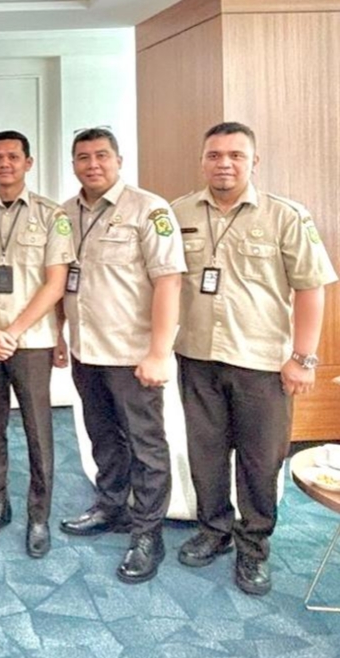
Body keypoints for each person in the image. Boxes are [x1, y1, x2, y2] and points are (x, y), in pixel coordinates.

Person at [172, 122, 337, 596]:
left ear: (254, 162)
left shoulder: (286, 216)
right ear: (202, 160)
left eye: (236, 155)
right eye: (214, 155)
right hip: (197, 356)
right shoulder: (178, 213)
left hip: (262, 363)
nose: (224, 163)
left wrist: (303, 358)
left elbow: (311, 289)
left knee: (260, 461)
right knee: (205, 454)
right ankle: (214, 530)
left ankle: (254, 545)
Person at [56, 127, 186, 583]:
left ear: (119, 160)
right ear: (73, 163)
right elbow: (62, 280)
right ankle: (112, 506)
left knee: (146, 444)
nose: (92, 164)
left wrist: (159, 352)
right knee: (103, 436)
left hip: (132, 353)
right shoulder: (64, 213)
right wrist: (60, 335)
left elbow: (169, 281)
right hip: (86, 350)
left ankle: (148, 532)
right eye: (83, 157)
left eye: (101, 155)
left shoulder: (149, 209)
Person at [0, 130, 73, 558]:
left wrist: (14, 331)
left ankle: (38, 514)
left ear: (28, 162)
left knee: (38, 431)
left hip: (31, 342)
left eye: (13, 156)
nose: (4, 163)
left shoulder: (51, 215)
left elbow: (56, 283)